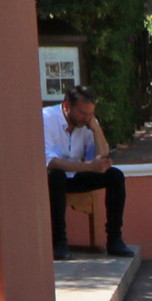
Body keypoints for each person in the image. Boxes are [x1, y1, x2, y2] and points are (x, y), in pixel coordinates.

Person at [46, 84, 133, 259]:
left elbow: (101, 156)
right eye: (82, 113)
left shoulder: (88, 122)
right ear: (67, 106)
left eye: (90, 113)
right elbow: (51, 162)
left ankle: (115, 240)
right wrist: (90, 166)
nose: (86, 118)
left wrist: (96, 128)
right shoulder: (47, 119)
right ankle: (59, 243)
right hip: (51, 179)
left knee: (115, 176)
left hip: (77, 175)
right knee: (56, 176)